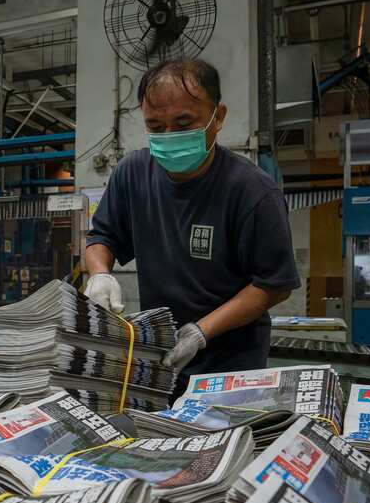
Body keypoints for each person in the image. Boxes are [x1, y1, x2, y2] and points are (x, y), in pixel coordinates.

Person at [83, 57, 300, 381]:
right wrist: (99, 275)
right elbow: (103, 237)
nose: (169, 136)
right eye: (156, 127)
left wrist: (201, 332)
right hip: (160, 360)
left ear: (219, 117)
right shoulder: (133, 174)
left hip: (230, 368)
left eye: (184, 124)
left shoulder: (252, 191)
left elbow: (273, 286)